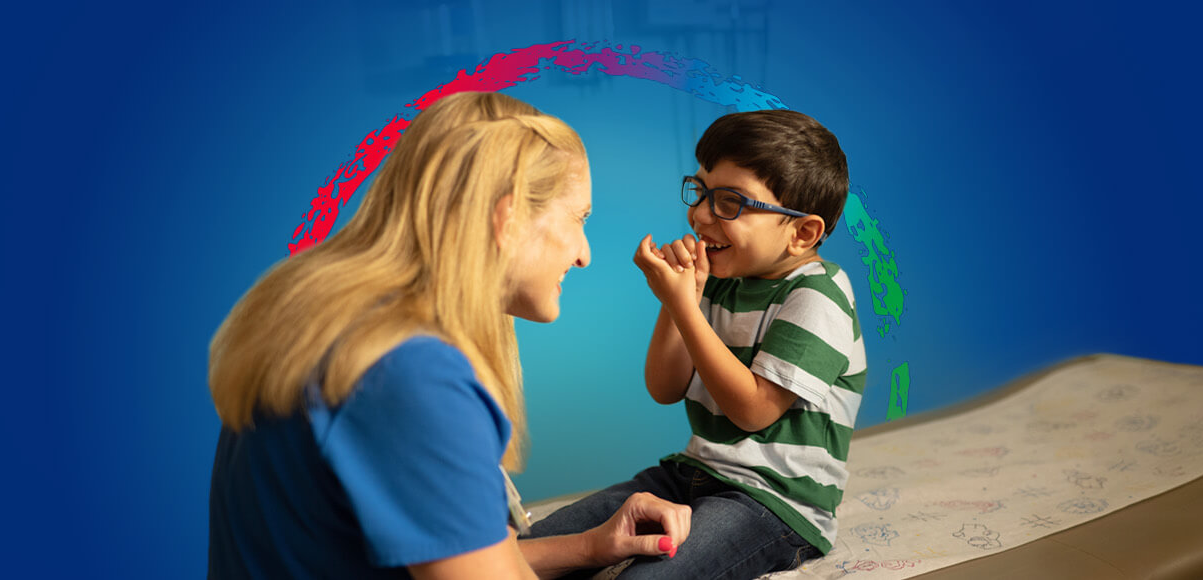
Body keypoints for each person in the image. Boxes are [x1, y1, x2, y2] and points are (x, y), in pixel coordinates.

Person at [206, 91, 692, 580]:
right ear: (509, 219)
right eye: (579, 217)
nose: (584, 253)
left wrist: (590, 547)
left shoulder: (333, 327)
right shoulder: (410, 374)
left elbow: (454, 558)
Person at [527, 109, 865, 579]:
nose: (701, 214)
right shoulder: (720, 280)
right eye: (702, 191)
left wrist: (685, 305)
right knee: (534, 546)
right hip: (690, 474)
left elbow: (754, 411)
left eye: (731, 202)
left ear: (802, 233)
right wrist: (678, 299)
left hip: (773, 502)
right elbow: (665, 387)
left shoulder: (819, 295)